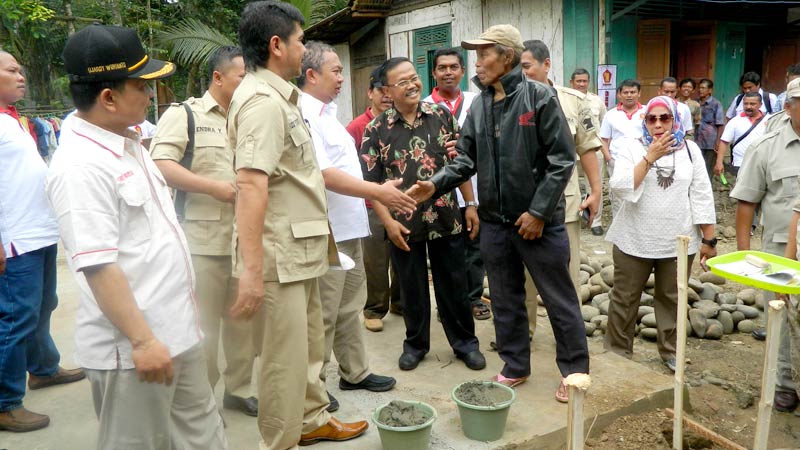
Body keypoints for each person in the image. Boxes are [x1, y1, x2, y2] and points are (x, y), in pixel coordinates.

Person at [47, 25, 226, 449]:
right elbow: (98, 264)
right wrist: (143, 341)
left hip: (178, 332)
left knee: (204, 436)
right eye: (141, 85)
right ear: (108, 97)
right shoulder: (80, 166)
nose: (151, 95)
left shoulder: (128, 143)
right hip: (134, 349)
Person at [407, 24, 590, 402]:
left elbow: (561, 160)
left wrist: (539, 212)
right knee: (505, 299)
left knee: (558, 300)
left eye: (484, 53)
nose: (477, 62)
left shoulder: (540, 98)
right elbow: (466, 159)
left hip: (538, 224)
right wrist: (435, 184)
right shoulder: (481, 105)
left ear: (507, 56)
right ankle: (515, 365)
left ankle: (574, 372)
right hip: (494, 223)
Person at [229, 3, 368, 448]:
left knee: (307, 346)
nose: (303, 47)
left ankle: (311, 420)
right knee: (282, 359)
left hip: (301, 248)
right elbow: (251, 185)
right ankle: (280, 440)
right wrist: (251, 272)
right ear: (276, 45)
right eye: (300, 40)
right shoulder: (262, 103)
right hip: (278, 256)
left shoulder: (279, 98)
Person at [298, 41, 412, 410]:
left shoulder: (327, 113)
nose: (342, 78)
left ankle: (355, 372)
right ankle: (313, 388)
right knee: (323, 315)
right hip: (328, 231)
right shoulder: (303, 115)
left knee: (350, 307)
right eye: (335, 71)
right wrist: (379, 192)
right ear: (311, 74)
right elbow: (324, 174)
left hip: (349, 228)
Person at [149, 46, 260, 417]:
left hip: (243, 241)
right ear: (219, 77)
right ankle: (202, 401)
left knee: (242, 321)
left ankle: (239, 389)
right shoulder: (186, 115)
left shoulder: (249, 117)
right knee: (204, 327)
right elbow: (160, 164)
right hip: (202, 241)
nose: (248, 83)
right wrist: (212, 187)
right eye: (243, 76)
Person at [359, 57, 485, 373]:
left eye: (414, 78)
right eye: (403, 82)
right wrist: (388, 224)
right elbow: (372, 186)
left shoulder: (441, 115)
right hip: (403, 223)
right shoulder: (375, 129)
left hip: (446, 215)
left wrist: (470, 205)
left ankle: (465, 344)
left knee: (454, 286)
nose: (413, 85)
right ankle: (416, 345)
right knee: (412, 289)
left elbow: (460, 165)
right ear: (387, 90)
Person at [0, 51, 85, 433]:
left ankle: (44, 369)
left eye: (21, 69)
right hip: (15, 238)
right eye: (11, 70)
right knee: (16, 319)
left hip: (38, 232)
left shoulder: (12, 121)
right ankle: (5, 402)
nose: (21, 76)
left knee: (43, 306)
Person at [603, 96, 716, 373]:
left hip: (678, 241)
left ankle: (671, 352)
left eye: (664, 118)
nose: (657, 124)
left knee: (672, 298)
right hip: (634, 238)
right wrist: (650, 156)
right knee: (624, 298)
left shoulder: (690, 150)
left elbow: (701, 194)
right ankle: (617, 354)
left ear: (675, 120)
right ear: (644, 121)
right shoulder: (632, 147)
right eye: (651, 119)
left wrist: (709, 239)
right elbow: (619, 186)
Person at [519, 40, 602, 342]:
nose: (522, 73)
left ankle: (568, 337)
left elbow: (588, 148)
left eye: (526, 66)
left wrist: (595, 192)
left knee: (565, 274)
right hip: (520, 204)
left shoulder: (572, 101)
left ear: (546, 64)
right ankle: (522, 334)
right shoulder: (509, 99)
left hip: (562, 204)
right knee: (522, 277)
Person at [730, 77, 800, 413]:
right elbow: (746, 202)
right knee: (781, 316)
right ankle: (784, 383)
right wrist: (745, 254)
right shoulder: (767, 146)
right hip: (779, 249)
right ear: (788, 107)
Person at [422, 48, 491, 321]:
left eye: (453, 67)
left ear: (463, 71)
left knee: (475, 249)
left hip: (476, 189)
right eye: (442, 68)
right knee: (446, 254)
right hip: (440, 193)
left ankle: (473, 298)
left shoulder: (480, 101)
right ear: (434, 73)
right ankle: (448, 304)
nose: (448, 72)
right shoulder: (424, 106)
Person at [346, 66, 402, 332]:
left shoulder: (400, 121)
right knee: (376, 260)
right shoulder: (357, 127)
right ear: (370, 93)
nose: (386, 96)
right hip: (371, 204)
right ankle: (374, 309)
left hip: (401, 202)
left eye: (389, 90)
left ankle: (401, 303)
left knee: (403, 254)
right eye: (381, 90)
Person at [599, 79, 647, 218]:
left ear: (639, 94)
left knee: (642, 193)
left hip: (642, 161)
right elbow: (604, 140)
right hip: (617, 162)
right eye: (625, 92)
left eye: (633, 92)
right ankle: (619, 234)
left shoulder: (647, 112)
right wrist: (609, 159)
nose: (629, 95)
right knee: (618, 196)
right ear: (619, 95)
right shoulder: (611, 115)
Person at [570, 67, 607, 235]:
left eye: (584, 81)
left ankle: (595, 221)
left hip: (592, 150)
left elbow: (603, 125)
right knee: (570, 186)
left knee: (594, 183)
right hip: (569, 151)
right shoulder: (564, 99)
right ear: (572, 82)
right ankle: (573, 217)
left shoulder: (597, 101)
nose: (581, 84)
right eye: (578, 81)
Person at [715, 92, 766, 177]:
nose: (748, 106)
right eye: (745, 104)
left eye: (752, 104)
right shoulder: (735, 121)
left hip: (763, 164)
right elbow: (724, 142)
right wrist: (719, 162)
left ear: (760, 104)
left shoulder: (769, 120)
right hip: (740, 164)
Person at [695, 78, 725, 177]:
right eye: (700, 88)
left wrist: (718, 142)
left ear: (710, 90)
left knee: (707, 170)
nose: (700, 90)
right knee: (696, 168)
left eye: (703, 88)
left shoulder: (716, 104)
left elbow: (720, 124)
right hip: (696, 141)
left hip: (710, 142)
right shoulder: (695, 103)